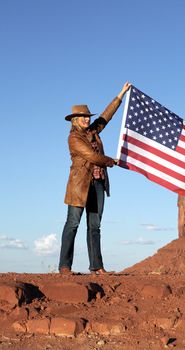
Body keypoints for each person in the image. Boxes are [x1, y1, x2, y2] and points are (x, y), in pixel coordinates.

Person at [58, 82, 131, 275]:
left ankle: (97, 266)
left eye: (87, 117)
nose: (85, 120)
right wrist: (111, 161)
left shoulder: (93, 131)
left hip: (97, 184)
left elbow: (107, 116)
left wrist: (121, 95)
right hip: (79, 186)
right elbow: (92, 156)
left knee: (95, 226)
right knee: (72, 224)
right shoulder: (74, 138)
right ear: (74, 120)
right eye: (82, 117)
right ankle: (65, 266)